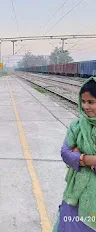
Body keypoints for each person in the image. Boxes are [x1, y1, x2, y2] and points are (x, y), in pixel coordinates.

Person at [53, 77, 96, 232]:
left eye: (91, 102)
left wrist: (79, 157)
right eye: (83, 101)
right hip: (75, 193)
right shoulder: (77, 126)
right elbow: (65, 153)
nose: (85, 107)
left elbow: (72, 157)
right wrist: (88, 160)